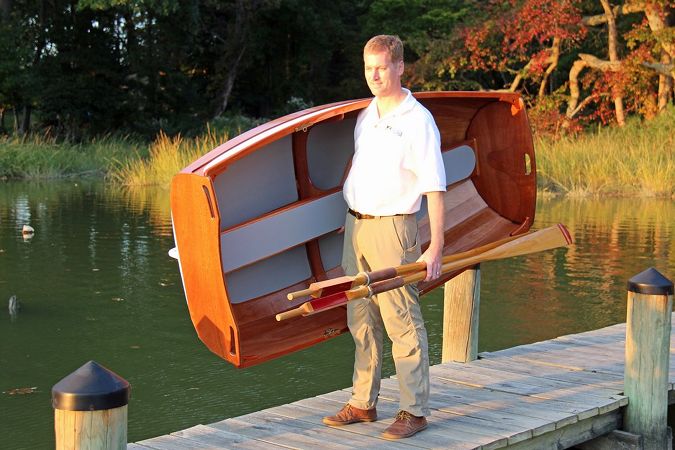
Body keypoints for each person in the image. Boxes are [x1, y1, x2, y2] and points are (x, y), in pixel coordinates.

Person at [322, 35, 446, 440]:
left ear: (399, 68)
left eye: (381, 67)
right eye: (368, 68)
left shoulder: (417, 120)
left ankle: (414, 410)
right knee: (360, 318)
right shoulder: (367, 114)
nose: (373, 76)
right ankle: (363, 402)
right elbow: (360, 166)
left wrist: (436, 247)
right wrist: (351, 212)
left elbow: (434, 187)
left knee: (401, 320)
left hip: (394, 228)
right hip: (356, 225)